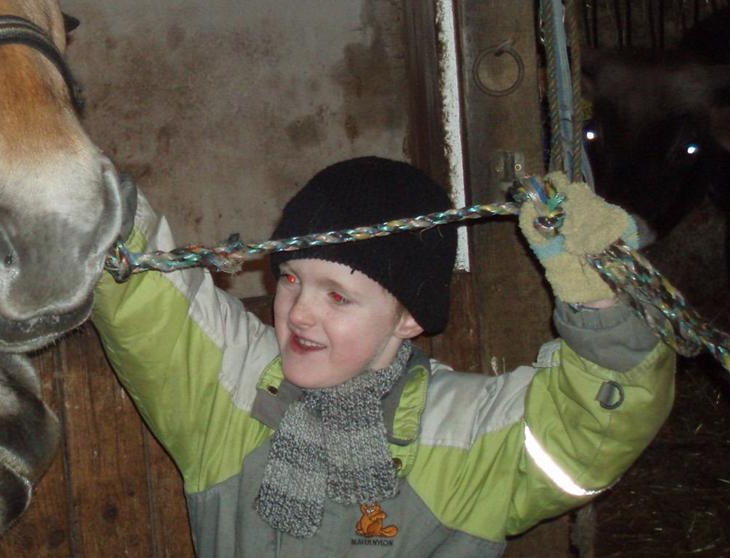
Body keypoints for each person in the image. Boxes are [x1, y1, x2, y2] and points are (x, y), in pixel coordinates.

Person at [94, 157, 675, 557]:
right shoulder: (231, 395)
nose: (297, 312)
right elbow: (150, 301)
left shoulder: (469, 440)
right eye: (291, 278)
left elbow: (592, 428)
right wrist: (77, 185)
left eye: (338, 296)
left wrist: (599, 300)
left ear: (409, 318)